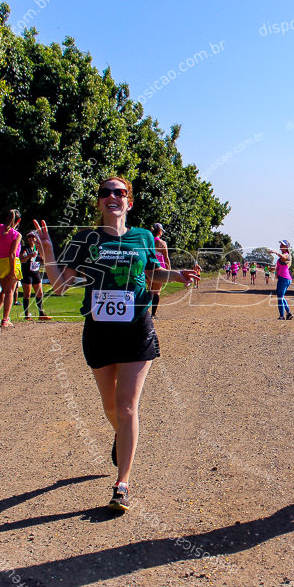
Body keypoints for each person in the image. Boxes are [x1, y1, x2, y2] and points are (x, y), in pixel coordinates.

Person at [34, 176, 194, 512]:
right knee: (110, 408)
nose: (112, 197)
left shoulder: (143, 237)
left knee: (126, 408)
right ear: (99, 202)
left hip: (137, 328)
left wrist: (176, 275)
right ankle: (122, 437)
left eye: (119, 193)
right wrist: (47, 250)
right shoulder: (85, 239)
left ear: (129, 202)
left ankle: (122, 484)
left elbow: (151, 276)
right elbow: (60, 285)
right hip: (99, 331)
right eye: (105, 193)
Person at [20, 231, 50, 320]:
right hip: (27, 273)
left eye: (33, 237)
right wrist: (30, 256)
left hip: (36, 272)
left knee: (40, 293)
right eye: (29, 237)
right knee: (27, 294)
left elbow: (43, 260)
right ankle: (26, 314)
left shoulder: (38, 248)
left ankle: (41, 313)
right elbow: (21, 260)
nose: (31, 239)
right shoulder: (24, 248)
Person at [268, 240, 294, 320]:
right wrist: (272, 269)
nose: (281, 245)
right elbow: (277, 267)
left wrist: (275, 252)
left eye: (283, 245)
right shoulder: (282, 256)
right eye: (281, 244)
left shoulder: (286, 255)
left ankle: (282, 316)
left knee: (280, 297)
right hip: (284, 278)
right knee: (281, 297)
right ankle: (288, 313)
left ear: (286, 247)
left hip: (284, 278)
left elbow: (284, 258)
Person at [149, 223, 171, 317]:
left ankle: (144, 312)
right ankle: (153, 314)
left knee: (149, 290)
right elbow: (166, 258)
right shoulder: (162, 243)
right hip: (159, 269)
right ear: (159, 231)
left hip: (148, 268)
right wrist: (169, 270)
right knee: (156, 291)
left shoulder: (147, 242)